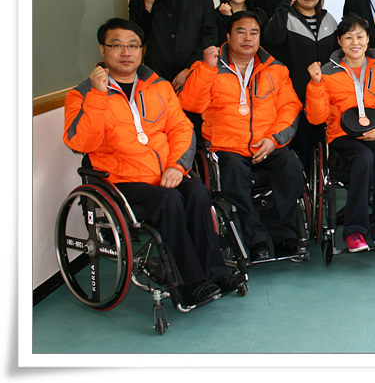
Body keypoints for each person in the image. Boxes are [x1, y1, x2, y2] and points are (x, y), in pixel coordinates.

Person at [63, 18, 244, 306]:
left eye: (133, 46)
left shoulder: (158, 86)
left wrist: (176, 166)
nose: (126, 52)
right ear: (103, 50)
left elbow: (181, 128)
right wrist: (98, 95)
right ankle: (190, 283)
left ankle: (215, 272)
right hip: (121, 182)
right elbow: (79, 143)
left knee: (198, 192)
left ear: (141, 50)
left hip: (165, 173)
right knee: (169, 200)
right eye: (117, 45)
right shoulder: (82, 94)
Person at [179, 11, 306, 262]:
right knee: (234, 175)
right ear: (228, 36)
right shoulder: (208, 67)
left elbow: (290, 107)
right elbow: (190, 104)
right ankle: (256, 239)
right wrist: (207, 68)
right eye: (241, 32)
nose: (248, 38)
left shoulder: (276, 69)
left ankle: (284, 235)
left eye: (254, 33)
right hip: (227, 146)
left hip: (267, 142)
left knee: (291, 167)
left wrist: (274, 140)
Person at [305, 13, 375, 252]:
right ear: (339, 41)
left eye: (360, 36)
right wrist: (316, 84)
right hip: (342, 136)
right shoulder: (326, 72)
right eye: (349, 37)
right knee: (363, 157)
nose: (355, 43)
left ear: (368, 39)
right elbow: (316, 118)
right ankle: (354, 231)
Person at [262, 0, 338, 168]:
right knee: (299, 145)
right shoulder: (286, 16)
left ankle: (319, 180)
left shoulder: (328, 19)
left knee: (321, 144)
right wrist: (283, 7)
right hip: (294, 92)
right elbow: (271, 39)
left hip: (322, 95)